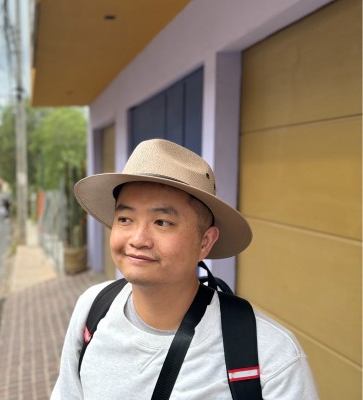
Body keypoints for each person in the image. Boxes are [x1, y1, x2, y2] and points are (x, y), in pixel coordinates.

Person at [51, 139, 319, 399]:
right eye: (124, 219)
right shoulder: (93, 309)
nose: (138, 239)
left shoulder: (270, 357)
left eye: (162, 222)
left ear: (205, 242)